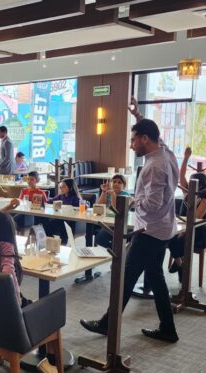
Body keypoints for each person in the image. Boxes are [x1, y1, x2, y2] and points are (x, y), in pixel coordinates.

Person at [80, 118, 180, 344]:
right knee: (155, 277)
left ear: (145, 139)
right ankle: (168, 328)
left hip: (149, 231)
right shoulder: (167, 154)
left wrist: (132, 201)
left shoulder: (154, 166)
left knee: (125, 278)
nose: (131, 144)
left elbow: (152, 203)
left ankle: (107, 324)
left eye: (133, 140)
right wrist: (137, 115)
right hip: (164, 228)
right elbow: (156, 136)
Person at [0, 206, 63, 373]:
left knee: (32, 303)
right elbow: (10, 285)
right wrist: (20, 303)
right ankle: (50, 361)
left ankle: (42, 357)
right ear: (10, 232)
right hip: (8, 320)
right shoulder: (6, 253)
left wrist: (2, 212)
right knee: (51, 309)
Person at [167, 147, 206, 280]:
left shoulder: (204, 200)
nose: (189, 185)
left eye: (193, 183)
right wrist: (186, 157)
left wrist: (181, 232)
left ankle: (180, 265)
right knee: (166, 237)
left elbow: (195, 220)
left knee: (173, 241)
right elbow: (181, 175)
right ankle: (180, 264)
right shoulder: (187, 193)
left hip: (196, 231)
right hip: (182, 227)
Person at [43, 178, 85, 243]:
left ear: (70, 188)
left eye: (64, 187)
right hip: (61, 219)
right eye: (60, 187)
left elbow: (81, 210)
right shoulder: (61, 196)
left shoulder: (76, 198)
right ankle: (52, 243)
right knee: (47, 226)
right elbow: (49, 202)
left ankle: (63, 244)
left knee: (62, 226)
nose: (61, 188)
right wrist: (43, 199)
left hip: (72, 221)